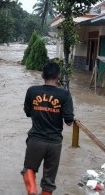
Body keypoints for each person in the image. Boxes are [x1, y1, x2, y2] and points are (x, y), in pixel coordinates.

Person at [21, 62, 74, 195]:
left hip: (36, 140)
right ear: (58, 76)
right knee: (49, 181)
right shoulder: (65, 95)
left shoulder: (32, 91)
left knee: (28, 169)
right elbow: (68, 121)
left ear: (42, 75)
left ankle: (32, 190)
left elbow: (28, 112)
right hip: (55, 143)